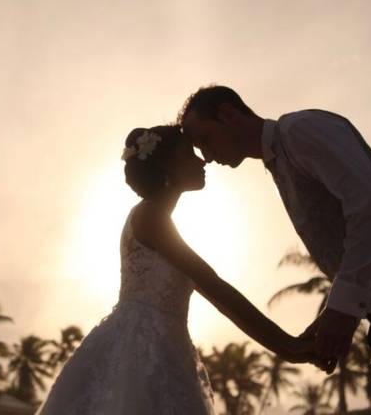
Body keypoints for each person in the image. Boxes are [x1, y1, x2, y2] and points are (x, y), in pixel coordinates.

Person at [178, 85, 371, 414]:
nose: (205, 155)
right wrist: (331, 315)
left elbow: (369, 203)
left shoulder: (299, 130)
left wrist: (343, 308)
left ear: (228, 114)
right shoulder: (278, 163)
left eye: (204, 138)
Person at [36, 124, 321, 414]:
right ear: (166, 166)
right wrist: (287, 346)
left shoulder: (157, 217)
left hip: (165, 344)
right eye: (188, 154)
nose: (202, 161)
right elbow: (214, 286)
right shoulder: (151, 216)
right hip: (143, 351)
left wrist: (290, 346)